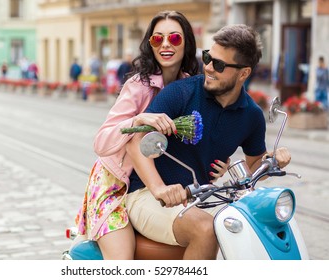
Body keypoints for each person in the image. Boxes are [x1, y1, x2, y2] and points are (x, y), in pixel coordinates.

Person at [125, 24, 292, 260]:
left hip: (197, 199)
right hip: (146, 195)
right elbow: (135, 143)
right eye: (207, 58)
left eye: (219, 64)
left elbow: (255, 165)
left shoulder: (252, 115)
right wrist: (159, 189)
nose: (209, 68)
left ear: (243, 73)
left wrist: (273, 159)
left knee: (245, 226)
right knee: (206, 229)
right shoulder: (181, 93)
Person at [74, 11, 229, 260]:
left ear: (187, 42)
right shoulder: (138, 86)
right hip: (115, 186)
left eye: (174, 39)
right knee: (122, 262)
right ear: (150, 45)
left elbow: (201, 135)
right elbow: (101, 142)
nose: (166, 45)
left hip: (157, 187)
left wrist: (220, 162)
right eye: (158, 39)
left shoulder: (191, 87)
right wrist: (137, 119)